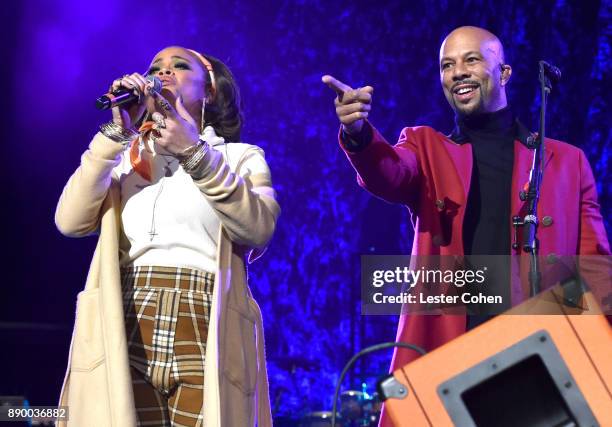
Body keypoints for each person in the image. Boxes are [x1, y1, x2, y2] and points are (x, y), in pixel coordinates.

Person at [323, 25, 610, 425]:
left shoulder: (567, 162)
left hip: (540, 355)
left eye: (471, 60)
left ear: (504, 73)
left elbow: (595, 265)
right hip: (451, 352)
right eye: (447, 65)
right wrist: (357, 134)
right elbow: (388, 172)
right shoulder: (425, 147)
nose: (457, 71)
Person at [55, 46, 280, 426]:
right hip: (127, 314)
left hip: (206, 319)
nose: (164, 72)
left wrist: (193, 153)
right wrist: (116, 134)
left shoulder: (240, 157)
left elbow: (258, 229)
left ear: (210, 90)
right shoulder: (125, 159)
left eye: (179, 66)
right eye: (155, 67)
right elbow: (69, 221)